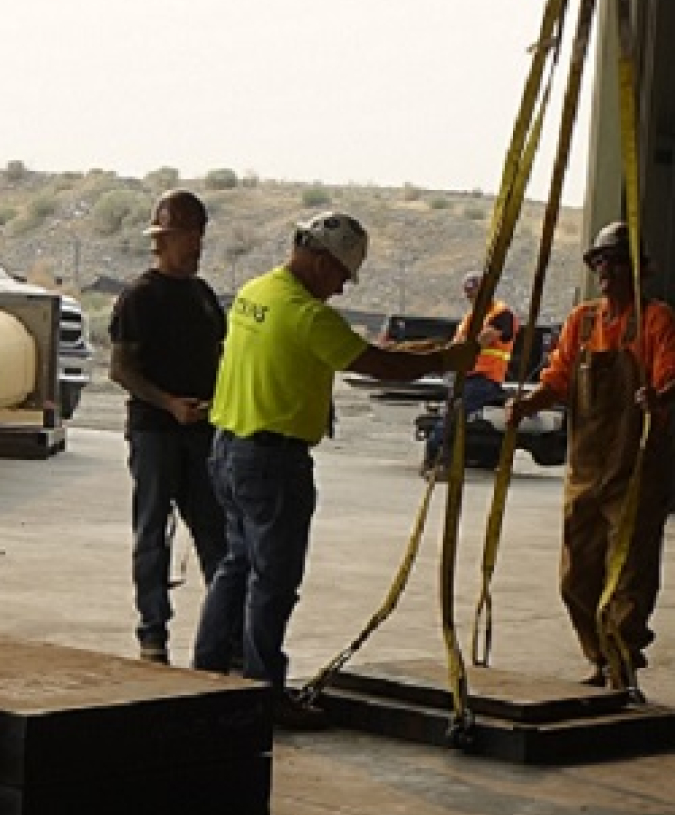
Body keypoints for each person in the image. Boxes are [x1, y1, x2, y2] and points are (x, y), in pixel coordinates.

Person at [192, 212, 479, 722]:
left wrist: (430, 351)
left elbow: (369, 352)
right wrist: (446, 360)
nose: (342, 289)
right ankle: (264, 690)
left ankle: (205, 674)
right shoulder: (308, 315)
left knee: (235, 566)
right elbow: (378, 365)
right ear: (323, 260)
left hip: (228, 448)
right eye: (343, 276)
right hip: (272, 461)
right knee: (272, 580)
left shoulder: (257, 293)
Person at [507, 221, 675, 687]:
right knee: (577, 576)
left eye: (616, 262)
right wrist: (530, 402)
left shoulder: (655, 319)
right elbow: (559, 377)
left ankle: (623, 664)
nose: (606, 270)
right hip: (588, 468)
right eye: (601, 262)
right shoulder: (583, 321)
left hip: (637, 469)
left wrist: (660, 397)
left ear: (640, 270)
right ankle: (600, 656)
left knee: (629, 575)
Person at [109, 190, 229, 665]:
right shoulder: (141, 297)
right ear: (164, 239)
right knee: (152, 532)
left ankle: (225, 636)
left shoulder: (202, 297)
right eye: (188, 236)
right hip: (156, 433)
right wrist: (169, 404)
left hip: (202, 432)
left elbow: (222, 358)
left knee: (216, 535)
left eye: (201, 235)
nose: (197, 246)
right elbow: (121, 369)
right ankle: (152, 633)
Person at [422, 271, 517, 475]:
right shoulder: (470, 318)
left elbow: (483, 339)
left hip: (485, 378)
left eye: (474, 292)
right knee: (452, 418)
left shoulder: (501, 313)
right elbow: (458, 345)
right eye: (469, 293)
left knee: (454, 416)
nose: (471, 297)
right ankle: (438, 460)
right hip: (464, 377)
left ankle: (437, 457)